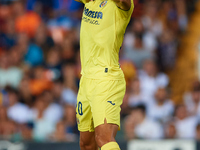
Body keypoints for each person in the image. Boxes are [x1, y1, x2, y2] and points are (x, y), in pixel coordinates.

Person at [75, 0, 134, 149]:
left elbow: (125, 2)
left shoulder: (119, 6)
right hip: (86, 79)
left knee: (104, 139)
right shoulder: (90, 1)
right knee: (86, 144)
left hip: (107, 79)